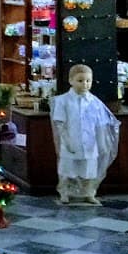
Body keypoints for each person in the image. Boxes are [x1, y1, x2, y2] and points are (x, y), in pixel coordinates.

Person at [49, 63, 119, 205]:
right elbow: (59, 123)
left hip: (89, 143)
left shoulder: (94, 102)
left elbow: (100, 124)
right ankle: (64, 193)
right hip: (71, 141)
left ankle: (89, 192)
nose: (85, 84)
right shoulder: (63, 101)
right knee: (67, 169)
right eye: (80, 81)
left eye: (88, 81)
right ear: (71, 81)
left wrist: (102, 142)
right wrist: (66, 140)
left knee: (89, 170)